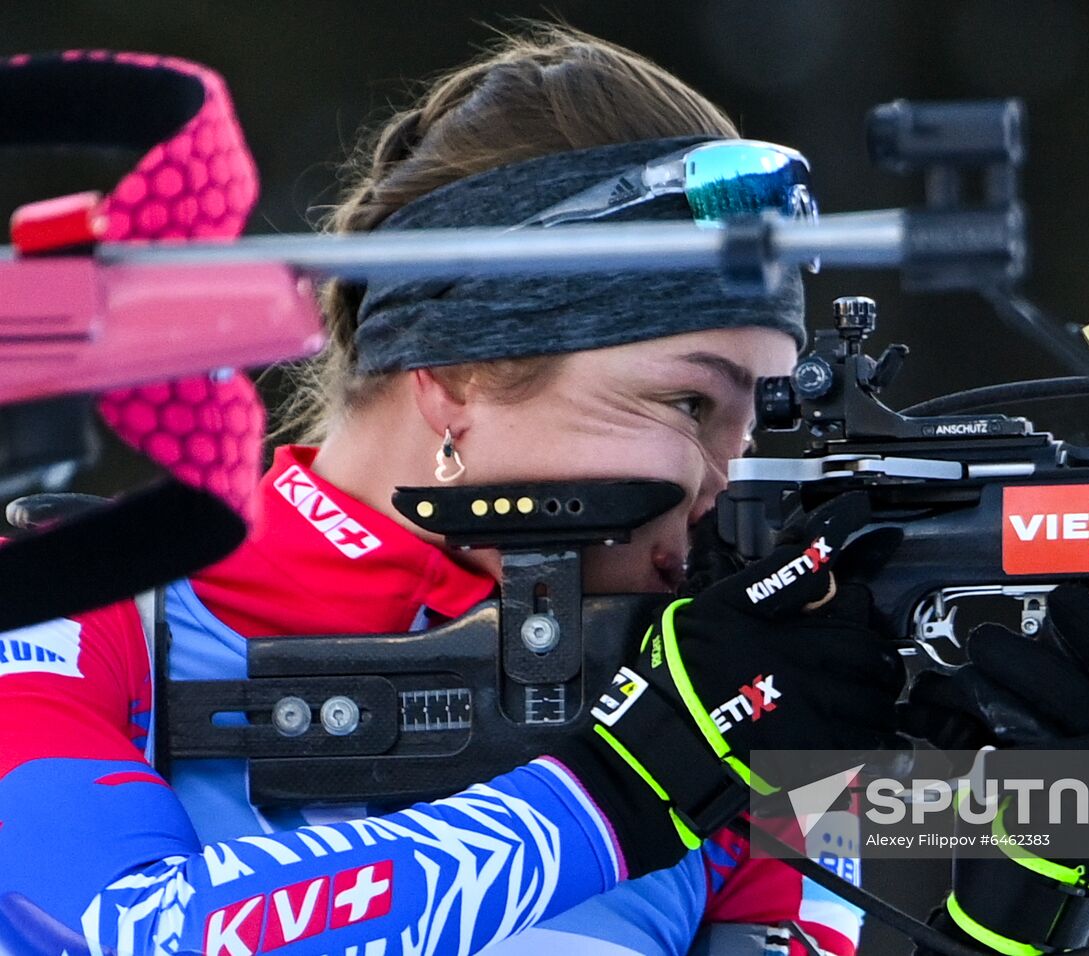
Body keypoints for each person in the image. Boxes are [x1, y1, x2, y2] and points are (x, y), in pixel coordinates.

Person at [0, 25, 905, 956]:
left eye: (764, 422)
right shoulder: (62, 605)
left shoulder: (713, 693)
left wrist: (1025, 844)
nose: (730, 483)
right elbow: (116, 929)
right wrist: (628, 785)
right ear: (460, 369)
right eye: (688, 403)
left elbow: (918, 874)